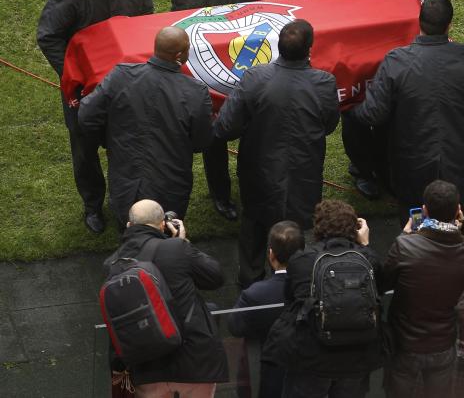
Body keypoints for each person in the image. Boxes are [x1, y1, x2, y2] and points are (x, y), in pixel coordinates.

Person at [37, 0, 154, 234]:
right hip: (83, 91)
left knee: (125, 149)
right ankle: (92, 206)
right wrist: (72, 77)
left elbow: (145, 23)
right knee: (85, 151)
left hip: (125, 87)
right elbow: (48, 36)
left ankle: (125, 205)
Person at [315, 0, 437, 199]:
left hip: (397, 53)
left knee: (393, 112)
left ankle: (387, 167)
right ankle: (363, 169)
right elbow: (322, 17)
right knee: (356, 115)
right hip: (355, 58)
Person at [213, 19, 340, 288]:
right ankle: (293, 285)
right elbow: (329, 125)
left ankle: (250, 284)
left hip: (258, 172)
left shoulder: (255, 77)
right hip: (302, 173)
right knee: (294, 232)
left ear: (278, 47)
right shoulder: (324, 83)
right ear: (310, 49)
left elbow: (226, 126)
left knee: (254, 225)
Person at [347, 0, 464, 212]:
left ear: (418, 21)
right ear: (449, 25)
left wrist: (349, 109)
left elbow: (373, 114)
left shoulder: (396, 60)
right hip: (456, 162)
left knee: (413, 224)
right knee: (454, 220)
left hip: (412, 168)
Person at [171, 0, 264, 221]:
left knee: (254, 131)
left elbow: (257, 18)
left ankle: (251, 185)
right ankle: (220, 195)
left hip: (244, 68)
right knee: (214, 141)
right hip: (206, 77)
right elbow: (183, 41)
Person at [78, 26, 211, 228]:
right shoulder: (195, 92)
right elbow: (201, 142)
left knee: (128, 236)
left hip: (125, 181)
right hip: (169, 187)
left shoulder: (120, 76)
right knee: (166, 240)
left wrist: (108, 139)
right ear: (179, 55)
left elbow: (86, 115)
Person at [262, 200, 383, 397]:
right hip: (356, 358)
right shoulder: (368, 258)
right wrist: (366, 245)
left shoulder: (301, 260)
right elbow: (380, 291)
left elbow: (290, 300)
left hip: (313, 359)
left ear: (317, 227)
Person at [108, 199, 228, 395]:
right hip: (195, 360)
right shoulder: (177, 248)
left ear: (129, 226)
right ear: (163, 224)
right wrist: (182, 242)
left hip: (147, 366)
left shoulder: (113, 264)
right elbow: (215, 278)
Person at [381, 180, 464, 397]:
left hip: (405, 345)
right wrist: (461, 229)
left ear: (424, 211)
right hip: (443, 343)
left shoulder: (405, 246)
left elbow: (383, 282)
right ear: (458, 211)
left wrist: (405, 236)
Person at [229, 221, 304, 398]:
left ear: (271, 255)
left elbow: (235, 327)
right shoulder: (318, 284)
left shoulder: (255, 294)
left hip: (272, 370)